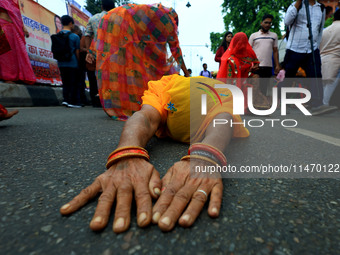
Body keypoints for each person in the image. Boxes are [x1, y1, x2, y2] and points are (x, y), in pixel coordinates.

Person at [60, 74, 249, 233]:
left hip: (180, 89)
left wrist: (128, 150)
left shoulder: (168, 85)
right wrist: (205, 157)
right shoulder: (219, 91)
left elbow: (146, 117)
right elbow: (222, 120)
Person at [87, 3, 190, 120]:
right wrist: (186, 73)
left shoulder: (147, 16)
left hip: (117, 26)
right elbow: (176, 50)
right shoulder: (167, 21)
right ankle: (145, 106)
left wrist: (92, 51)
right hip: (124, 31)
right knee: (145, 74)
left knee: (134, 71)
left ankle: (130, 106)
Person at [283, 0, 335, 115]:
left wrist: (317, 46)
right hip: (294, 49)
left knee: (316, 75)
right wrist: (298, 2)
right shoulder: (296, 4)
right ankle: (281, 101)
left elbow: (319, 29)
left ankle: (317, 104)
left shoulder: (321, 8)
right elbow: (287, 21)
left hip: (312, 49)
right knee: (289, 77)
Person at [217, 32, 272, 111]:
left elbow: (256, 64)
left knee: (256, 77)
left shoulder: (249, 52)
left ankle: (253, 104)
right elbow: (229, 76)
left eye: (243, 41)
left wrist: (253, 68)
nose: (241, 44)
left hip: (247, 76)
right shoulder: (230, 58)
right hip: (234, 79)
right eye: (239, 41)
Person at [0, 0, 36, 84]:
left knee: (16, 55)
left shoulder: (14, 4)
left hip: (14, 29)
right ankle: (7, 77)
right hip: (3, 26)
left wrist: (23, 28)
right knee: (6, 54)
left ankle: (16, 77)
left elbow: (18, 18)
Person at [249, 14, 280, 95]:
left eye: (270, 23)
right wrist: (250, 65)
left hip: (268, 66)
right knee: (255, 87)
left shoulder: (274, 36)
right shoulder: (254, 36)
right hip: (256, 66)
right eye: (266, 22)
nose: (267, 25)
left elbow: (275, 51)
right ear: (261, 23)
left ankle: (262, 105)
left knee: (264, 88)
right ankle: (254, 105)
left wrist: (277, 65)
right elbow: (249, 51)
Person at [57, 15, 81, 108]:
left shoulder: (57, 35)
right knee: (73, 82)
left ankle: (65, 100)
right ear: (71, 23)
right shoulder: (75, 37)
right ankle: (73, 102)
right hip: (72, 63)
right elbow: (77, 52)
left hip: (61, 62)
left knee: (65, 82)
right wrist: (78, 62)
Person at [319, 9, 340, 108]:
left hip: (323, 59)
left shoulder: (325, 30)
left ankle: (322, 103)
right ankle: (325, 104)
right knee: (332, 82)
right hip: (336, 59)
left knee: (325, 83)